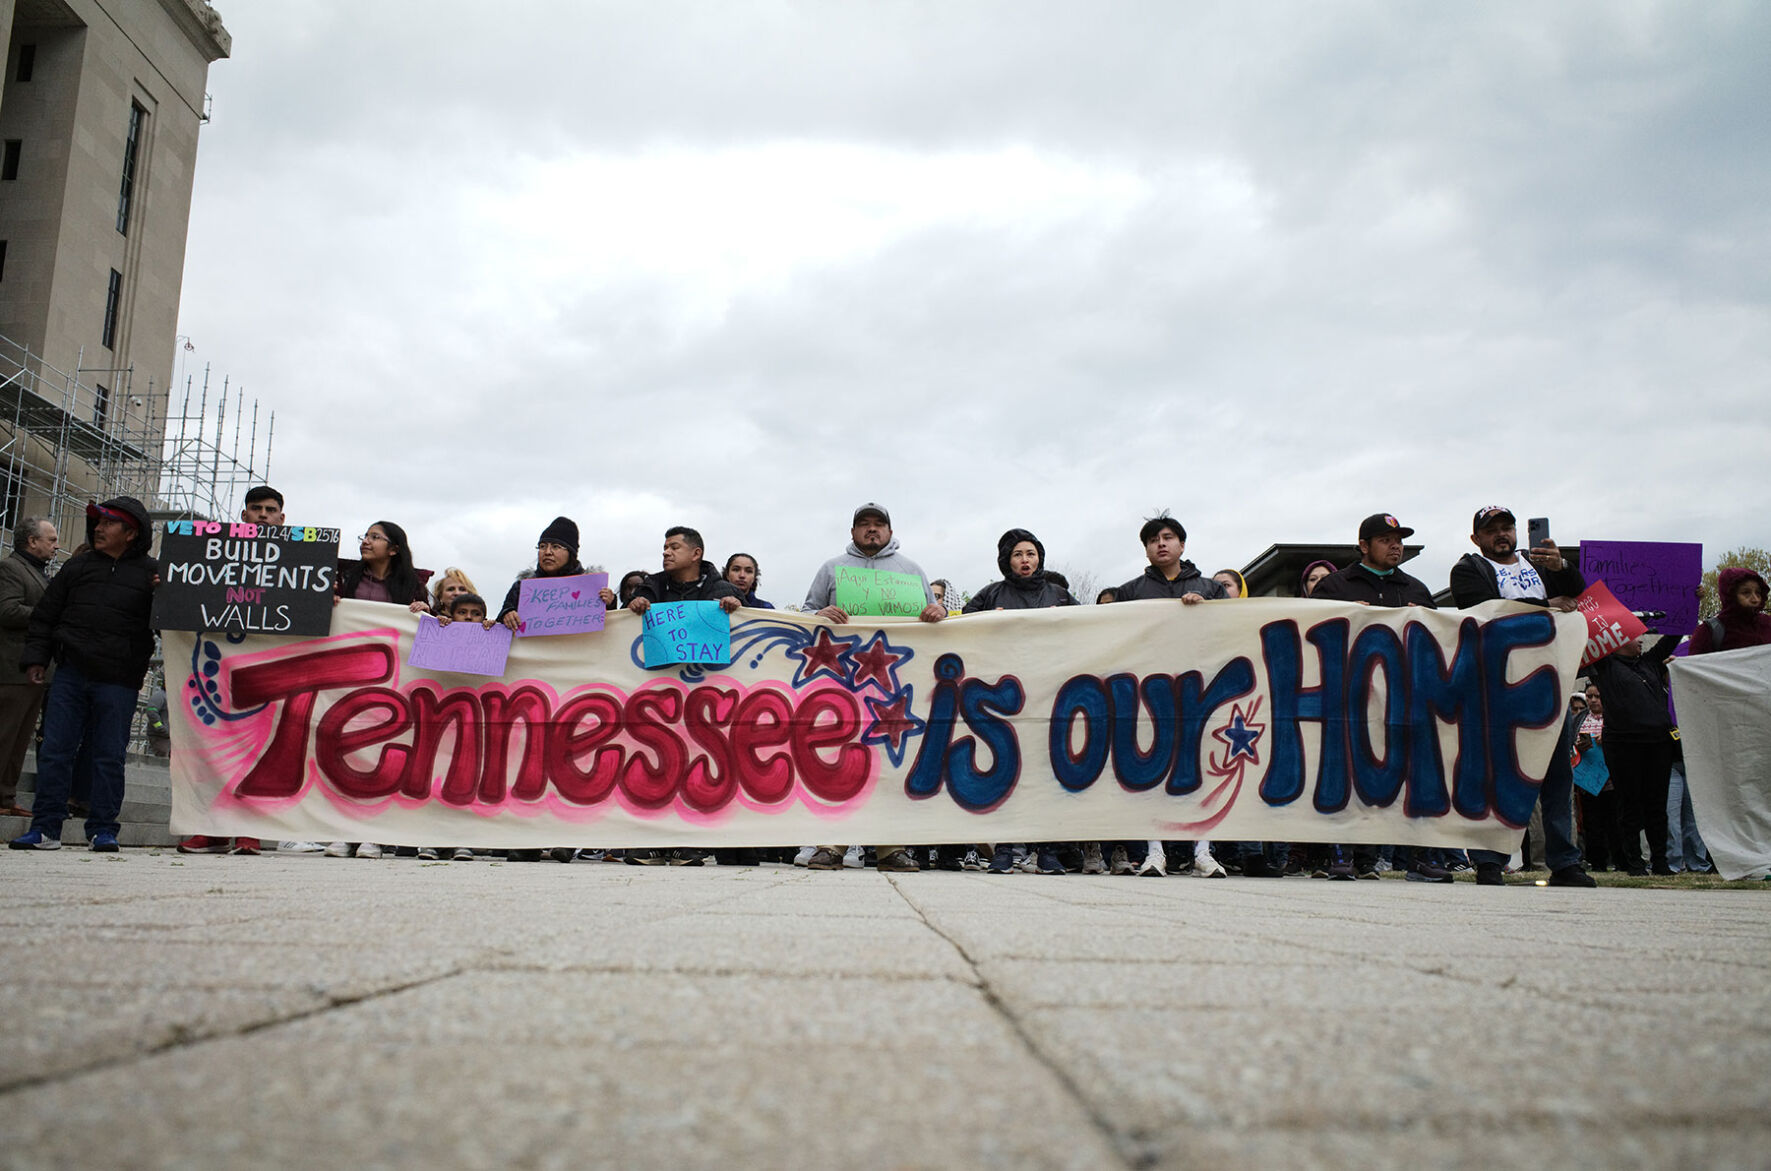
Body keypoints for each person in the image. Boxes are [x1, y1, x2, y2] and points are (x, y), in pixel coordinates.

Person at [1447, 505, 1595, 888]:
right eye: (1492, 530)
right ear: (1476, 538)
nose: (1502, 535)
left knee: (1557, 775)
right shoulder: (1468, 569)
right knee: (1497, 773)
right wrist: (1547, 606)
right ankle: (1489, 860)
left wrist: (1561, 566)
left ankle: (1564, 861)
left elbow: (1578, 593)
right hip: (1498, 684)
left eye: (1507, 527)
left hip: (1549, 680)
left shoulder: (1539, 563)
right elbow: (1484, 612)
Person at [8, 498, 157, 853]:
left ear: (131, 533)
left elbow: (169, 625)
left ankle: (103, 829)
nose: (99, 529)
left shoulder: (152, 575)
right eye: (98, 522)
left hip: (119, 680)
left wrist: (165, 593)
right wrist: (36, 659)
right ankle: (45, 828)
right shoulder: (76, 568)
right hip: (70, 675)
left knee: (109, 756)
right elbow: (45, 617)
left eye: (108, 523)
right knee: (55, 751)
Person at [803, 503, 943, 874]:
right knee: (839, 756)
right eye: (863, 524)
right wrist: (818, 615)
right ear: (852, 532)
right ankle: (831, 845)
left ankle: (890, 848)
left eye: (878, 524)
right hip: (843, 679)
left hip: (896, 684)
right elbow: (804, 613)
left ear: (890, 531)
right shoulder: (831, 569)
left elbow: (935, 618)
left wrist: (938, 613)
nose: (871, 530)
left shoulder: (911, 570)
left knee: (891, 761)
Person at [1310, 514, 1444, 882]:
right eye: (1385, 539)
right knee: (1348, 773)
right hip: (1349, 697)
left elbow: (1439, 641)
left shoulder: (1416, 589)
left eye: (1399, 539)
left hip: (1404, 699)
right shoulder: (1335, 586)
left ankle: (1417, 856)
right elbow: (1309, 633)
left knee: (1411, 776)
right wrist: (1343, 615)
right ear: (1364, 546)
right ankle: (1342, 852)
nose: (1395, 545)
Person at [179, 487, 302, 856]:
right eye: (256, 508)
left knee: (257, 751)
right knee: (211, 750)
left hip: (269, 670)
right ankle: (212, 830)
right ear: (244, 515)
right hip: (219, 667)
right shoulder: (214, 552)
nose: (263, 515)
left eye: (270, 510)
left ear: (282, 518)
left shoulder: (301, 560)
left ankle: (248, 830)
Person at [965, 529, 1077, 875]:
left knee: (1048, 769)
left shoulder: (1060, 595)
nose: (1025, 560)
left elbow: (1086, 630)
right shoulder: (990, 594)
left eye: (1030, 553)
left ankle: (1048, 851)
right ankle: (1004, 848)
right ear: (1006, 560)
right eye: (1017, 554)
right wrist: (988, 622)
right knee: (1006, 768)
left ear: (1039, 557)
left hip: (1050, 695)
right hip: (1005, 696)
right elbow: (963, 628)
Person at [327, 520, 429, 859]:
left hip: (392, 683)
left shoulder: (412, 587)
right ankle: (344, 832)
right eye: (365, 536)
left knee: (381, 754)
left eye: (375, 537)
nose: (366, 542)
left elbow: (428, 629)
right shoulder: (345, 579)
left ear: (394, 549)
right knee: (345, 753)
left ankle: (374, 834)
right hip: (347, 679)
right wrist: (331, 601)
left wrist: (424, 612)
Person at [1587, 632, 1681, 876]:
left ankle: (1660, 861)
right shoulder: (1605, 665)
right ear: (1617, 639)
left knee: (1656, 804)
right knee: (1629, 803)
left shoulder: (1650, 662)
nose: (1641, 639)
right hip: (1623, 744)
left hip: (1658, 743)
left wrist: (1687, 609)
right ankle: (1634, 862)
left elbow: (1672, 636)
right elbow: (1588, 638)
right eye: (1634, 635)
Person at [497, 517, 612, 631]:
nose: (547, 552)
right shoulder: (522, 588)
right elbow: (500, 626)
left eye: (555, 547)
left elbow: (611, 628)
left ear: (571, 553)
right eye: (542, 546)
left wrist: (610, 602)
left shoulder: (592, 587)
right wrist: (507, 614)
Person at [1113, 516, 1227, 604]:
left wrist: (1206, 608)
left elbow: (1227, 621)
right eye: (1154, 540)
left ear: (1182, 546)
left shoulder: (1213, 588)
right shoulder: (1128, 592)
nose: (1161, 544)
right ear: (1146, 550)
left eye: (1167, 538)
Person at [1690, 567, 1771, 653]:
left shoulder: (1768, 624)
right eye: (1746, 593)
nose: (1755, 599)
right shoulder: (1708, 632)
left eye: (1758, 593)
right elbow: (1695, 661)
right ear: (1730, 595)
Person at [413, 566, 479, 618]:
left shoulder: (481, 622)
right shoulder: (432, 617)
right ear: (440, 597)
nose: (457, 593)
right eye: (450, 589)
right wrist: (424, 614)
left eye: (462, 589)